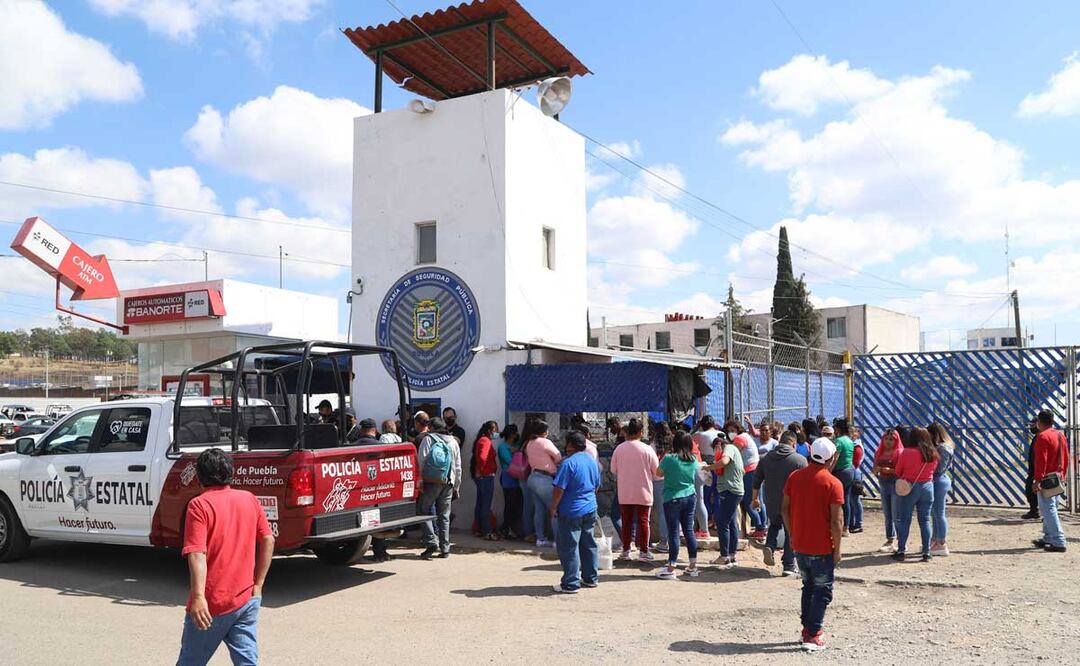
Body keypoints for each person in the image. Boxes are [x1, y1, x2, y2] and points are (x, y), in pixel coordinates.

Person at [178, 448, 274, 666]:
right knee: (247, 661)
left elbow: (196, 553)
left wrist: (199, 597)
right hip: (247, 598)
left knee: (190, 662)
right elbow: (268, 540)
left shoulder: (199, 505)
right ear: (230, 472)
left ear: (200, 476)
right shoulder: (248, 498)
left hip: (213, 603)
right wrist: (257, 585)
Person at [782, 438, 844, 653]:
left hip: (800, 544)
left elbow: (785, 509)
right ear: (831, 457)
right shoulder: (833, 483)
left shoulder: (795, 477)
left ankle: (807, 628)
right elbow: (837, 522)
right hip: (822, 547)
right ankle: (813, 633)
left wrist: (792, 535)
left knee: (808, 587)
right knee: (823, 591)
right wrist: (837, 549)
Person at [550, 431, 602, 593]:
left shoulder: (568, 464)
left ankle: (571, 583)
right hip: (590, 508)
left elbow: (559, 488)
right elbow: (597, 486)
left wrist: (552, 507)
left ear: (570, 445)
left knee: (569, 547)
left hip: (571, 511)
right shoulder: (591, 461)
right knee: (588, 543)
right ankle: (590, 578)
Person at [753, 430, 807, 576]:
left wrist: (755, 499)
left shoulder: (765, 458)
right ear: (793, 443)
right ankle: (789, 565)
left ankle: (770, 546)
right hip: (791, 502)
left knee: (774, 525)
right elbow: (806, 485)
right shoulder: (800, 460)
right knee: (791, 531)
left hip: (771, 500)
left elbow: (756, 481)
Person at [609, 418, 660, 562]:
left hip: (625, 491)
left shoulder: (619, 449)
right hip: (644, 491)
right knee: (644, 521)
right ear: (641, 432)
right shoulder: (647, 449)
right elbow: (656, 473)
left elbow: (613, 470)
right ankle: (643, 551)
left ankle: (626, 550)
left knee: (626, 521)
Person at [654, 432, 701, 579]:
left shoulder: (669, 458)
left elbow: (658, 473)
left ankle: (671, 567)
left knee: (673, 533)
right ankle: (692, 566)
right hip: (690, 497)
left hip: (672, 499)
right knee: (688, 531)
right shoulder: (693, 460)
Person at [417, 417, 462, 560]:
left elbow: (421, 461)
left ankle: (431, 541)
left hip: (431, 482)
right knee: (444, 515)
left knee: (422, 510)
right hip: (448, 482)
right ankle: (445, 548)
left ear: (431, 427)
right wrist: (457, 486)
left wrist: (420, 481)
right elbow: (457, 466)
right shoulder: (453, 441)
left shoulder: (428, 439)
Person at [893, 427, 939, 562]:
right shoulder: (933, 453)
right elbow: (934, 469)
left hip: (910, 487)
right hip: (928, 487)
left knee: (905, 520)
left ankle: (901, 550)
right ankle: (926, 551)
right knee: (925, 520)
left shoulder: (907, 452)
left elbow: (898, 471)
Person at [703, 431, 743, 568]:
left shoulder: (729, 449)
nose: (715, 451)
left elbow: (724, 462)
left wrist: (708, 467)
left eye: (715, 448)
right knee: (731, 523)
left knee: (722, 522)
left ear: (719, 444)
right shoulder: (732, 451)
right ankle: (731, 555)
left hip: (731, 491)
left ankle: (724, 555)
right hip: (731, 490)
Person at [1031, 410, 1069, 553]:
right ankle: (1048, 537)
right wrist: (1063, 474)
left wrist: (1037, 480)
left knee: (1048, 509)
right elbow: (1065, 455)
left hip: (1047, 478)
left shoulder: (1042, 437)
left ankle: (1058, 540)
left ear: (1039, 422)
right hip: (1057, 476)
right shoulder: (1059, 435)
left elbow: (1041, 460)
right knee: (1052, 507)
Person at [524, 420, 562, 547]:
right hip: (545, 479)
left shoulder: (529, 443)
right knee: (554, 509)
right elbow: (558, 457)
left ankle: (540, 539)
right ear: (543, 431)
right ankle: (557, 541)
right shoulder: (545, 442)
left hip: (533, 477)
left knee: (539, 510)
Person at [726, 420, 765, 539]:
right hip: (757, 469)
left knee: (748, 501)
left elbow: (732, 454)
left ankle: (759, 527)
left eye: (733, 430)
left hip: (749, 472)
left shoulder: (740, 439)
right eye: (728, 431)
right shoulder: (746, 436)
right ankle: (763, 526)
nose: (730, 433)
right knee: (759, 499)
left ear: (738, 429)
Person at [871, 429, 904, 553]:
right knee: (887, 513)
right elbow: (874, 467)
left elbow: (901, 471)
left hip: (895, 482)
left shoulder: (899, 452)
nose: (888, 441)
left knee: (896, 513)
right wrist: (876, 470)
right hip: (883, 482)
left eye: (891, 439)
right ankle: (890, 539)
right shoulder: (879, 452)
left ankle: (901, 540)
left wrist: (889, 470)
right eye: (886, 438)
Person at [927, 423, 954, 556]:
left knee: (939, 512)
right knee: (935, 513)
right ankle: (935, 540)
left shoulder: (943, 448)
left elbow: (939, 468)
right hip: (937, 480)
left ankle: (941, 543)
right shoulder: (942, 446)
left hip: (939, 480)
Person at [692, 416, 721, 536]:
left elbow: (687, 437)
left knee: (705, 496)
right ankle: (718, 521)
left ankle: (707, 520)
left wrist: (696, 427)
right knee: (718, 495)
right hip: (719, 465)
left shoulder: (699, 435)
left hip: (706, 468)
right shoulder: (721, 433)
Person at [471, 420, 499, 540]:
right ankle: (487, 531)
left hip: (482, 476)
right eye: (495, 431)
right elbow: (482, 458)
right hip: (486, 476)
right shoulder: (486, 441)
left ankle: (478, 528)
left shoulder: (481, 440)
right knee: (486, 505)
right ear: (489, 431)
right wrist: (484, 471)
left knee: (480, 503)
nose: (496, 433)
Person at [650, 422, 674, 552]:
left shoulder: (653, 446)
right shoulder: (673, 443)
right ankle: (672, 539)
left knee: (662, 512)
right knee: (672, 511)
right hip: (673, 479)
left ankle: (664, 541)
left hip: (658, 480)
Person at [496, 424, 523, 539]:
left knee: (517, 505)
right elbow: (509, 461)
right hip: (508, 478)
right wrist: (516, 452)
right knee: (509, 505)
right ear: (512, 434)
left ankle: (514, 528)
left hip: (517, 479)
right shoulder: (503, 447)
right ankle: (506, 528)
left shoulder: (515, 446)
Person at [831, 419, 856, 537]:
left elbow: (835, 458)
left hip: (840, 472)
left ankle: (837, 525)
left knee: (837, 500)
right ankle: (847, 527)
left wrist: (828, 472)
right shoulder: (850, 441)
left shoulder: (839, 441)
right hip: (850, 470)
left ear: (838, 429)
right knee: (846, 499)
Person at [848, 426, 865, 534]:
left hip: (855, 473)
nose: (851, 434)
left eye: (853, 432)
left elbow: (856, 461)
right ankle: (851, 522)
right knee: (850, 500)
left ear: (858, 434)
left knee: (855, 499)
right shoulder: (851, 444)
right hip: (851, 472)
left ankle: (859, 523)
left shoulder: (857, 446)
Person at [1022, 419, 1041, 520]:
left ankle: (1037, 511)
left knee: (1034, 490)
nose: (1031, 428)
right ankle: (1034, 510)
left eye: (1032, 425)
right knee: (1030, 489)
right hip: (1034, 469)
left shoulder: (1041, 437)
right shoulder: (1037, 437)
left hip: (1038, 470)